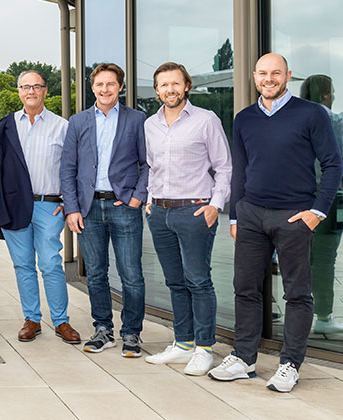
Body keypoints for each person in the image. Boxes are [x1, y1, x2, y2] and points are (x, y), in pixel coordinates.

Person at [209, 53, 341, 393]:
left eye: (276, 73)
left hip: (294, 216)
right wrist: (235, 215)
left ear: (287, 75)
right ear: (255, 77)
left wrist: (317, 212)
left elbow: (332, 165)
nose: (269, 79)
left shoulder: (311, 114)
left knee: (297, 293)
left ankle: (290, 364)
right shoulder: (244, 118)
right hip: (251, 215)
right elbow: (240, 170)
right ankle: (244, 358)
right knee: (245, 288)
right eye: (263, 73)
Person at [141, 62, 231, 376]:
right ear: (157, 91)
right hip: (159, 213)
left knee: (198, 281)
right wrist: (150, 201)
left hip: (194, 211)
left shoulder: (206, 120)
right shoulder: (150, 125)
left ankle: (205, 349)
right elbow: (151, 167)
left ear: (187, 86)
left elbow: (224, 167)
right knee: (175, 282)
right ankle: (183, 343)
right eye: (164, 85)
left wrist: (215, 206)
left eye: (176, 83)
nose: (170, 90)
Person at [60, 63, 149, 357]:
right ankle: (103, 330)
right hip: (88, 209)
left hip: (124, 206)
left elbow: (148, 163)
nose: (105, 89)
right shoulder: (78, 121)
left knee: (131, 274)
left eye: (111, 84)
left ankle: (132, 333)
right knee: (96, 274)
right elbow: (68, 168)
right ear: (92, 87)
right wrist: (72, 208)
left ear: (120, 87)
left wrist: (137, 197)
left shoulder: (137, 119)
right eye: (99, 84)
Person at [0, 70, 81, 345]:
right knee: (23, 265)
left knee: (51, 263)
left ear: (45, 91)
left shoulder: (61, 126)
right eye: (25, 86)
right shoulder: (5, 127)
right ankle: (32, 319)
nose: (31, 91)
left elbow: (74, 168)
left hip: (48, 205)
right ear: (19, 91)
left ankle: (61, 321)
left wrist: (69, 202)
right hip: (14, 205)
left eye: (36, 86)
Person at [300, 74, 343, 334]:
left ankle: (299, 316)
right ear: (326, 94)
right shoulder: (335, 120)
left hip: (298, 197)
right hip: (328, 197)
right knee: (324, 259)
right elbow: (338, 158)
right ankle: (324, 317)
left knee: (301, 259)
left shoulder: (296, 117)